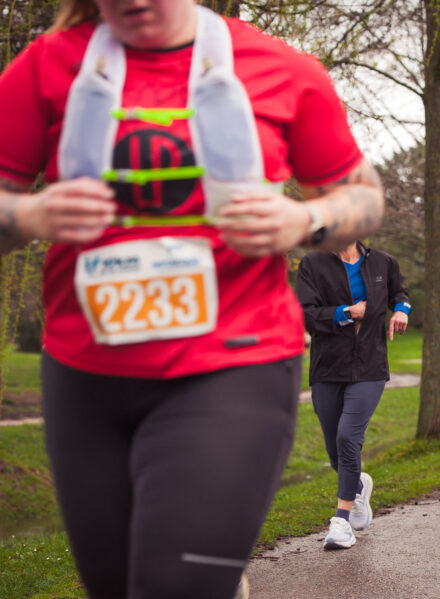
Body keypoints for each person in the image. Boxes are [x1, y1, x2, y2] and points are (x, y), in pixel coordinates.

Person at [0, 1, 384, 597]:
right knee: (117, 586)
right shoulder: (48, 67)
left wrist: (302, 221)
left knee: (172, 586)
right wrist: (28, 214)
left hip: (233, 364)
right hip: (87, 374)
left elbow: (363, 198)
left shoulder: (279, 68)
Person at [296, 241, 410, 548]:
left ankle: (340, 523)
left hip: (369, 366)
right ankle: (359, 484)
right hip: (327, 368)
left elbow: (399, 293)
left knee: (348, 438)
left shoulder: (383, 262)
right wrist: (345, 313)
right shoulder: (312, 263)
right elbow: (304, 314)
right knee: (336, 450)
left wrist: (401, 310)